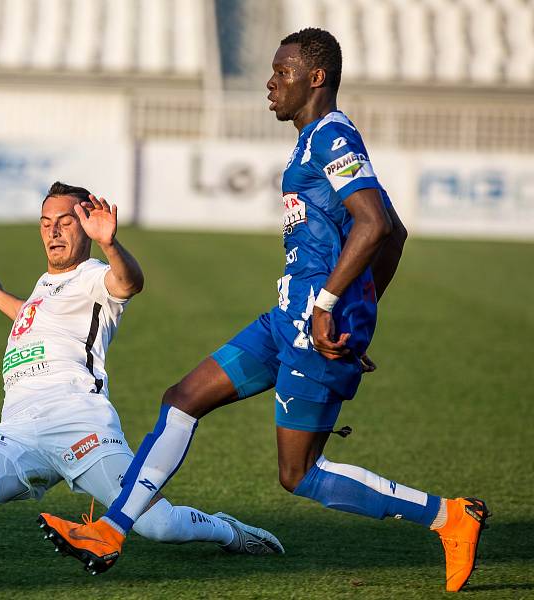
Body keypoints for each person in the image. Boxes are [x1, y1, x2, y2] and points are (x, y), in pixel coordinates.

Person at [38, 30, 489, 592]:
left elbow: (376, 226)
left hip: (311, 322)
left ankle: (449, 516)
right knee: (182, 399)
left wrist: (335, 308)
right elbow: (392, 231)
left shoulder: (332, 136)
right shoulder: (309, 142)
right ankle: (110, 530)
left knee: (298, 475)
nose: (271, 82)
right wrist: (356, 310)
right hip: (288, 317)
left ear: (316, 77)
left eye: (283, 71)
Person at [0, 182, 284, 570]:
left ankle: (226, 531)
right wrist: (0, 299)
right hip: (17, 428)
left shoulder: (94, 277)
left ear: (86, 225)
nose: (52, 229)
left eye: (65, 221)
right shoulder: (44, 285)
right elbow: (37, 320)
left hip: (79, 423)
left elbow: (129, 283)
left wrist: (110, 244)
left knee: (157, 524)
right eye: (46, 221)